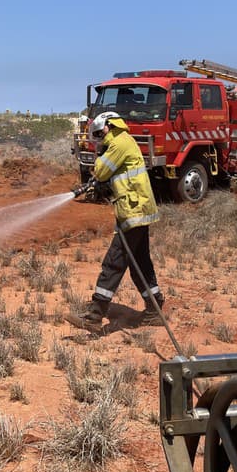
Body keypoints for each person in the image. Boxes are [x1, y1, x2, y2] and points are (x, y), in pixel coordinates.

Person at [74, 111, 164, 329]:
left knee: (114, 261)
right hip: (136, 209)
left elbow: (101, 170)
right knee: (139, 263)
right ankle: (155, 308)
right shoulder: (122, 141)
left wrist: (100, 156)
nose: (99, 140)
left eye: (99, 134)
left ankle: (95, 314)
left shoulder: (119, 142)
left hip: (133, 211)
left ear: (108, 127)